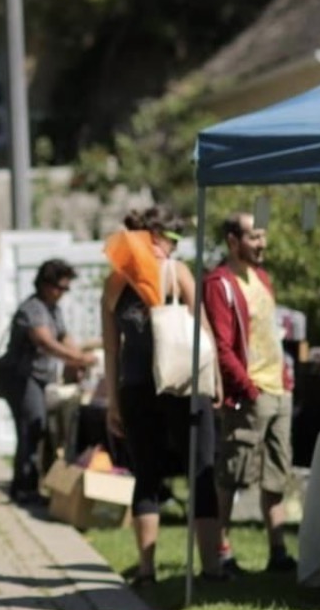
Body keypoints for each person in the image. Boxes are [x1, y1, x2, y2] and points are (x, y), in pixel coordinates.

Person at [101, 206, 227, 586]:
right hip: (183, 383)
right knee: (200, 469)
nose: (173, 246)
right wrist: (216, 378)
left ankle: (147, 569)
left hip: (137, 387)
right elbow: (202, 331)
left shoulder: (115, 280)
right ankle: (211, 568)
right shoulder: (178, 272)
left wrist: (113, 402)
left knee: (147, 476)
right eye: (171, 239)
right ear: (156, 237)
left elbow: (111, 349)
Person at [203, 212, 296, 573]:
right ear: (232, 240)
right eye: (254, 236)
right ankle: (221, 551)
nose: (262, 244)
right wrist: (249, 388)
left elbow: (270, 333)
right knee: (232, 475)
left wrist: (284, 381)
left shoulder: (262, 278)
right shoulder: (219, 283)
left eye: (263, 236)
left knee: (276, 475)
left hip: (279, 390)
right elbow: (222, 347)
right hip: (250, 394)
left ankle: (278, 551)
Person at [0, 258, 96, 506]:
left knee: (35, 428)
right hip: (21, 376)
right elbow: (46, 343)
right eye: (59, 287)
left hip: (37, 377)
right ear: (44, 284)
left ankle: (25, 484)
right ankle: (25, 488)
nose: (62, 293)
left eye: (66, 288)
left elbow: (64, 337)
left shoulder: (53, 308)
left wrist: (77, 360)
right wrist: (79, 358)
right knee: (32, 426)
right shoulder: (33, 309)